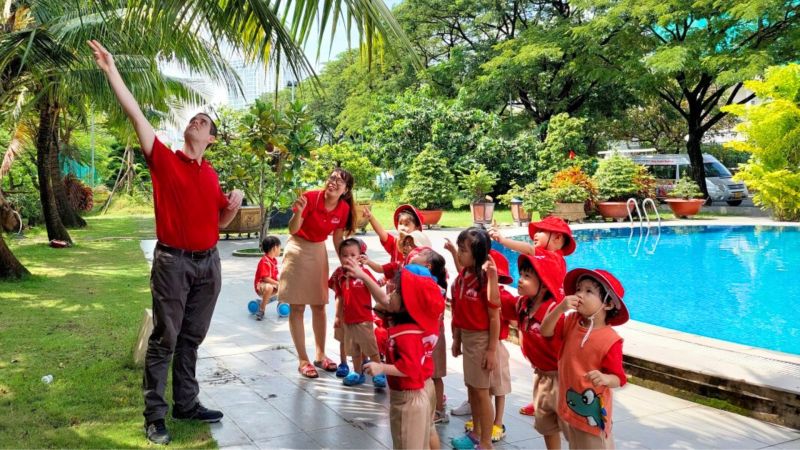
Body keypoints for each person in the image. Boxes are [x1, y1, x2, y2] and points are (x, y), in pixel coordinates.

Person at [88, 40, 244, 445]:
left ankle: (186, 403)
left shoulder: (210, 176)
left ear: (211, 139)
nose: (196, 122)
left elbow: (220, 222)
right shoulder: (163, 159)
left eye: (203, 122)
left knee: (192, 337)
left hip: (208, 263)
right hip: (173, 263)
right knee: (166, 338)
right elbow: (134, 111)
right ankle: (155, 416)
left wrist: (233, 207)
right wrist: (111, 70)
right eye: (193, 119)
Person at [346, 260, 444, 450]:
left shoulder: (407, 334)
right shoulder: (419, 320)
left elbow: (410, 367)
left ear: (410, 302)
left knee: (407, 443)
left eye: (398, 291)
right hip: (419, 389)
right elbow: (385, 302)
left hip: (409, 397)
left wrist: (381, 367)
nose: (391, 294)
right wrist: (364, 276)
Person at [489, 215, 575, 416]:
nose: (535, 235)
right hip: (537, 305)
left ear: (557, 239)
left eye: (542, 231)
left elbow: (527, 250)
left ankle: (560, 403)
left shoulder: (552, 257)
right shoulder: (526, 298)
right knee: (541, 368)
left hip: (549, 310)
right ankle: (541, 398)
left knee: (556, 370)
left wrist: (502, 240)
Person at [279, 167, 357, 378]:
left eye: (338, 181)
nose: (332, 182)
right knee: (297, 306)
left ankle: (320, 355)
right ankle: (303, 359)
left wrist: (347, 265)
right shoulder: (310, 198)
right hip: (298, 246)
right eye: (331, 178)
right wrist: (299, 212)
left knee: (319, 304)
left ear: (346, 190)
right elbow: (293, 229)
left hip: (318, 249)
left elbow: (337, 239)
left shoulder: (343, 209)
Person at [541, 269, 629, 449]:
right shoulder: (572, 321)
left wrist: (605, 378)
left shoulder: (610, 340)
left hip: (593, 419)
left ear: (608, 304)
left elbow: (618, 378)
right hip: (570, 408)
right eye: (579, 289)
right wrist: (560, 308)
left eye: (589, 291)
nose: (580, 294)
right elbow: (545, 331)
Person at [503, 251, 567, 449]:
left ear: (544, 284)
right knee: (546, 424)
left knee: (572, 428)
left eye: (527, 277)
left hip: (562, 378)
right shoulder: (523, 304)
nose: (520, 280)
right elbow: (495, 302)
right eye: (521, 275)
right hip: (542, 376)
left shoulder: (554, 311)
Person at [448, 227, 501, 450]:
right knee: (472, 389)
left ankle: (486, 443)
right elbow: (458, 313)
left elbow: (494, 316)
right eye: (459, 249)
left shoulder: (484, 282)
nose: (459, 254)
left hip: (480, 341)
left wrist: (491, 350)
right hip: (467, 339)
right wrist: (457, 339)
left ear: (477, 255)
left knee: (481, 393)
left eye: (463, 250)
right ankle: (475, 434)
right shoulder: (463, 277)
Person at [464, 249, 513, 444]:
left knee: (498, 387)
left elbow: (515, 313)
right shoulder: (478, 293)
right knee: (483, 387)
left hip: (497, 347)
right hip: (483, 345)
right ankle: (483, 421)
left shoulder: (505, 297)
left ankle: (498, 422)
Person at [329, 238, 386, 387]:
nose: (348, 259)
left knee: (371, 348)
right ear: (340, 257)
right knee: (353, 349)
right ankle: (357, 372)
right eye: (344, 255)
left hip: (364, 319)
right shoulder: (340, 275)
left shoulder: (364, 273)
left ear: (360, 256)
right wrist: (337, 316)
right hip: (348, 320)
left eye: (353, 255)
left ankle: (378, 372)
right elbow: (339, 297)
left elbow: (376, 289)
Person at [253, 236, 281, 321]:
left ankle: (281, 303)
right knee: (269, 287)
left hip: (271, 284)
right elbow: (265, 278)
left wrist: (282, 282)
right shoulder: (264, 261)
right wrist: (278, 284)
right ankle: (262, 310)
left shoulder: (273, 261)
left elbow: (276, 276)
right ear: (274, 248)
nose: (280, 250)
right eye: (279, 248)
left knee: (286, 285)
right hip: (261, 286)